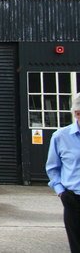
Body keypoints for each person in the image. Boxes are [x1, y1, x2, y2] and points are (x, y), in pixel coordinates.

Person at [46, 93, 80, 253]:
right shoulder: (60, 136)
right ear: (77, 113)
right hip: (74, 200)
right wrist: (61, 192)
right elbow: (52, 167)